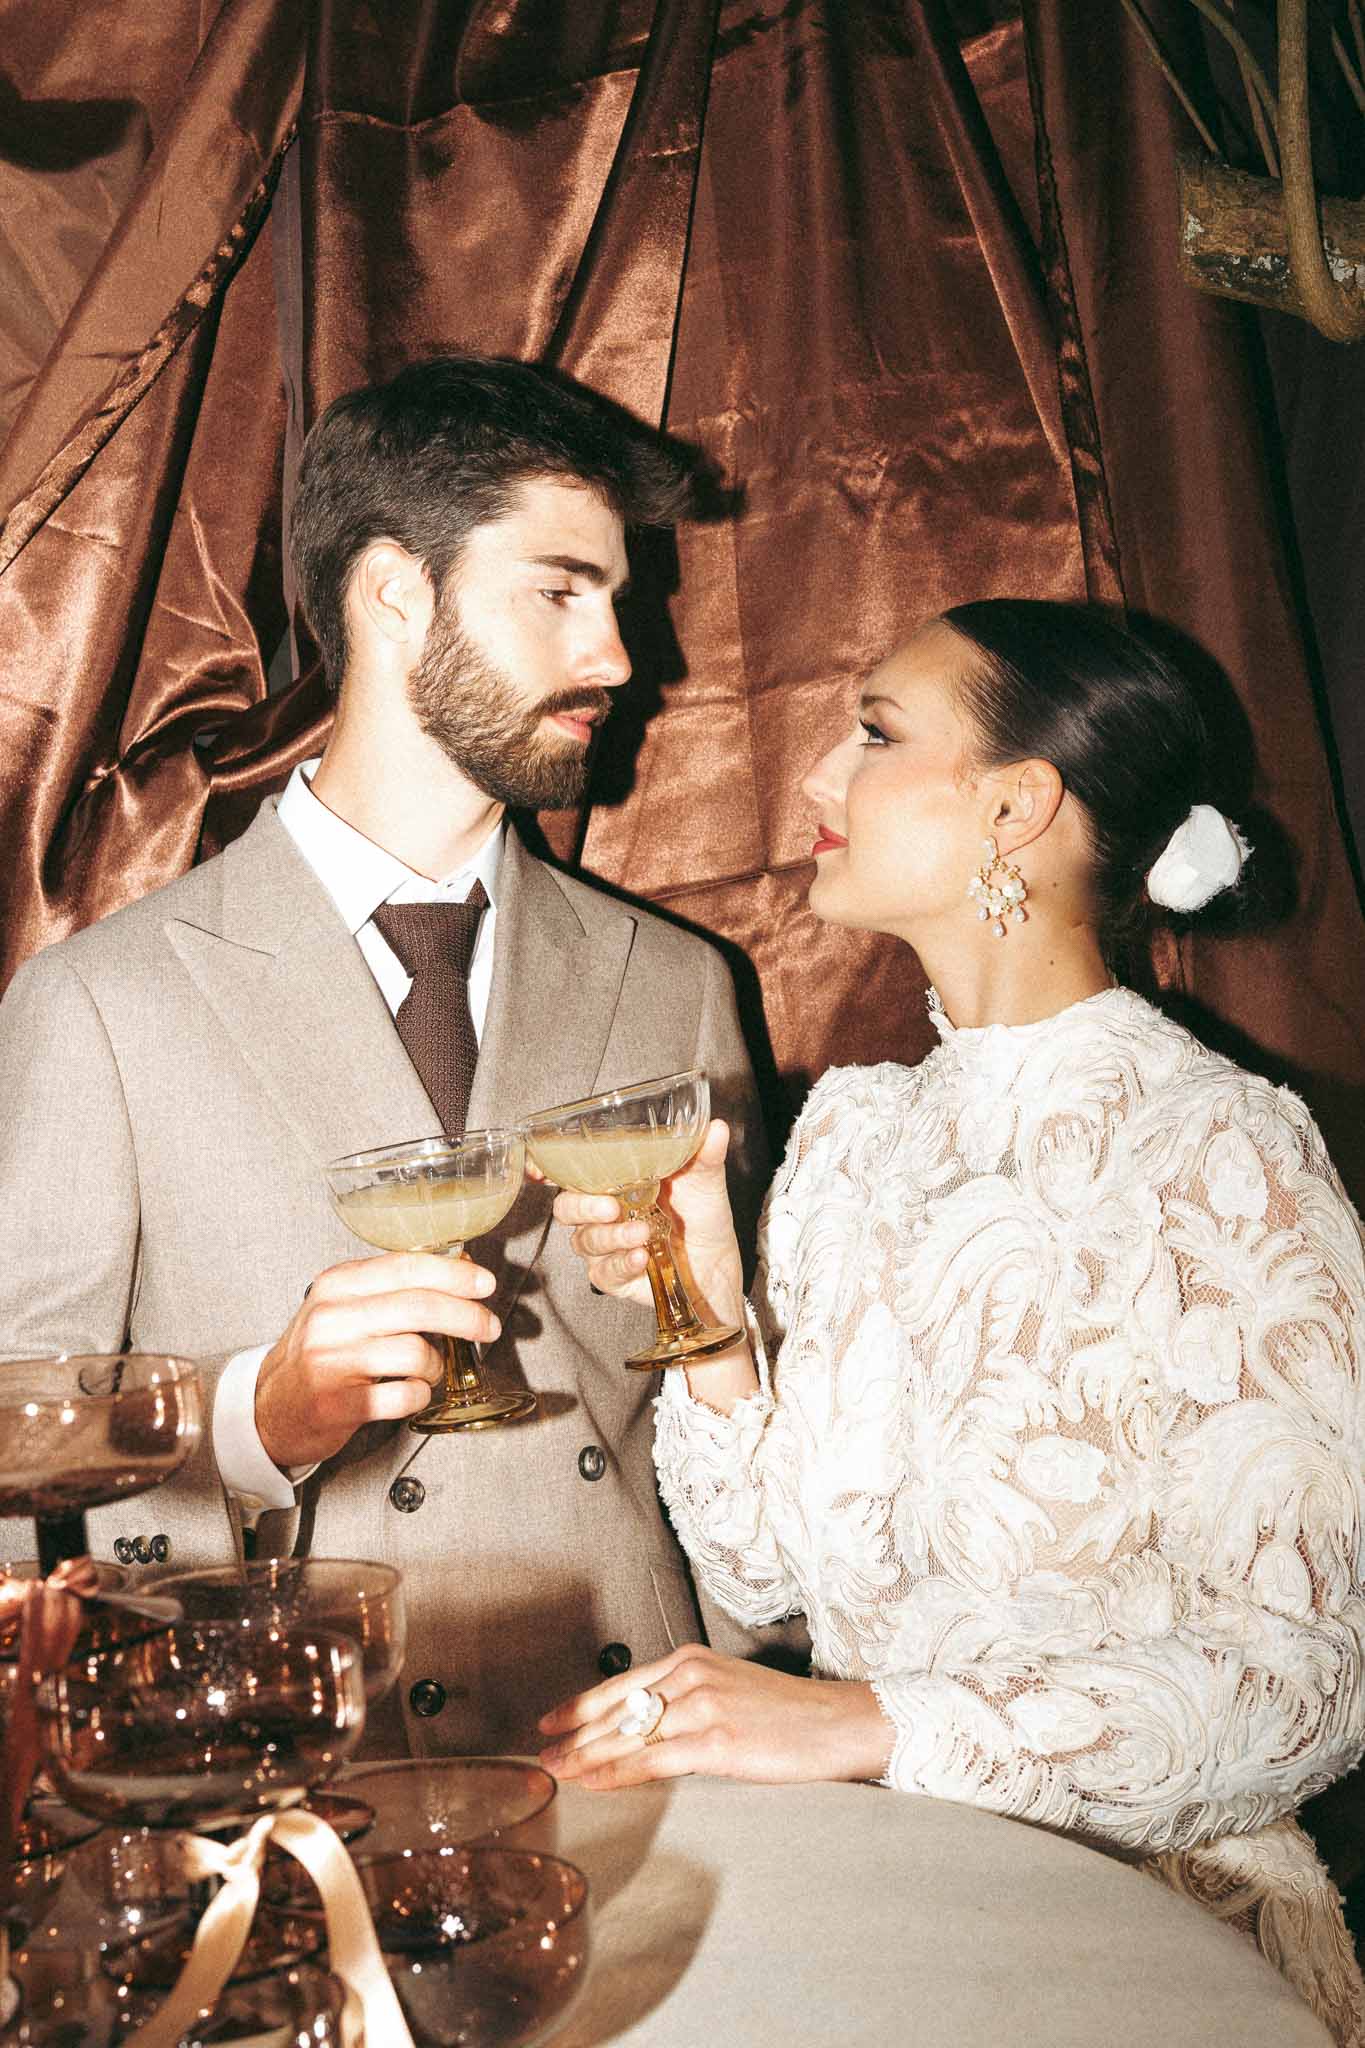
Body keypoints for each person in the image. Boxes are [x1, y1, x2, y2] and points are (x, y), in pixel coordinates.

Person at [538, 600, 1365, 2044]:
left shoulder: (1221, 1151)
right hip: (889, 1908)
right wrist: (713, 1333)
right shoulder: (855, 1132)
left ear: (1015, 805)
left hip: (1159, 1953)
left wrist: (864, 1727)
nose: (814, 780)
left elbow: (1314, 1685)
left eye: (874, 732)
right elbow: (771, 1575)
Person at [0, 353, 789, 1756]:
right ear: (392, 594)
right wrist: (260, 1416)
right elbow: (18, 1432)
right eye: (560, 591)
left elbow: (734, 1408)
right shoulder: (102, 1000)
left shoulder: (679, 983)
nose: (616, 656)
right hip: (287, 1767)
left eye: (616, 599)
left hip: (647, 1755)